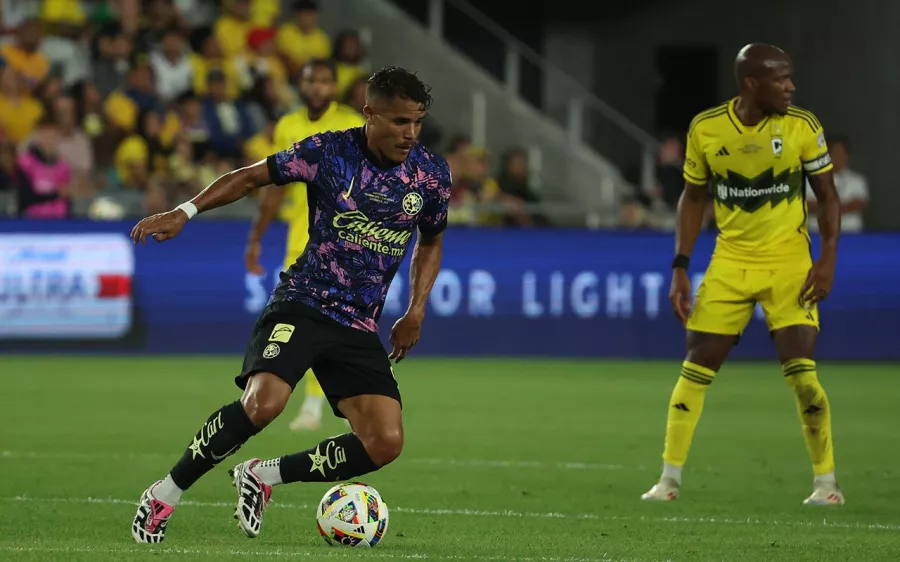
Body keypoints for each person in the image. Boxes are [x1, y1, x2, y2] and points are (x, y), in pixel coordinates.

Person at [130, 66, 451, 544]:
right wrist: (185, 211)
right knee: (264, 404)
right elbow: (249, 178)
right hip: (304, 302)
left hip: (358, 324)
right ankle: (165, 493)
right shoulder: (329, 152)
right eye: (400, 121)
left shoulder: (429, 174)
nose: (410, 133)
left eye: (417, 122)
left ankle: (264, 476)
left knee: (385, 442)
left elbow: (431, 241)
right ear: (370, 113)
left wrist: (417, 309)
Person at [641, 44, 844, 506]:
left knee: (803, 374)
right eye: (782, 78)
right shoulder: (707, 129)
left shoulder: (802, 126)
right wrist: (679, 267)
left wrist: (827, 258)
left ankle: (826, 485)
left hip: (789, 262)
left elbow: (828, 195)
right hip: (730, 261)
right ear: (752, 84)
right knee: (695, 367)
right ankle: (668, 482)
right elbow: (693, 199)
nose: (791, 87)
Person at [246, 58, 364, 432]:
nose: (317, 88)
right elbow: (273, 187)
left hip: (346, 239)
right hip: (301, 237)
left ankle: (339, 400)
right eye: (311, 81)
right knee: (301, 319)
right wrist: (256, 238)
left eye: (325, 81)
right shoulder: (288, 126)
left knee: (346, 320)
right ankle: (313, 401)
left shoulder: (352, 123)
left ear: (334, 86)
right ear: (302, 85)